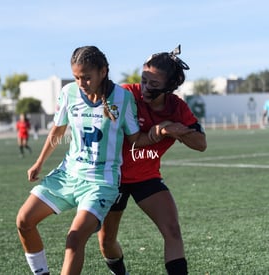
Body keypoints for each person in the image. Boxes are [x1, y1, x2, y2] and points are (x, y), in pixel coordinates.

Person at [15, 46, 186, 275]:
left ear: (103, 71)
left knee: (75, 239)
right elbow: (57, 130)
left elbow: (135, 138)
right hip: (68, 174)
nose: (81, 83)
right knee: (24, 221)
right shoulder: (68, 93)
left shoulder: (122, 98)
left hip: (101, 183)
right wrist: (39, 163)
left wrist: (159, 132)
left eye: (87, 77)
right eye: (77, 77)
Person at [98, 45, 207, 275]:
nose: (145, 88)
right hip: (113, 177)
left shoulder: (177, 108)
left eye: (154, 84)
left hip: (146, 177)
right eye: (144, 80)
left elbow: (201, 144)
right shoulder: (126, 94)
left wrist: (176, 130)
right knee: (107, 242)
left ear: (170, 87)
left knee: (173, 231)